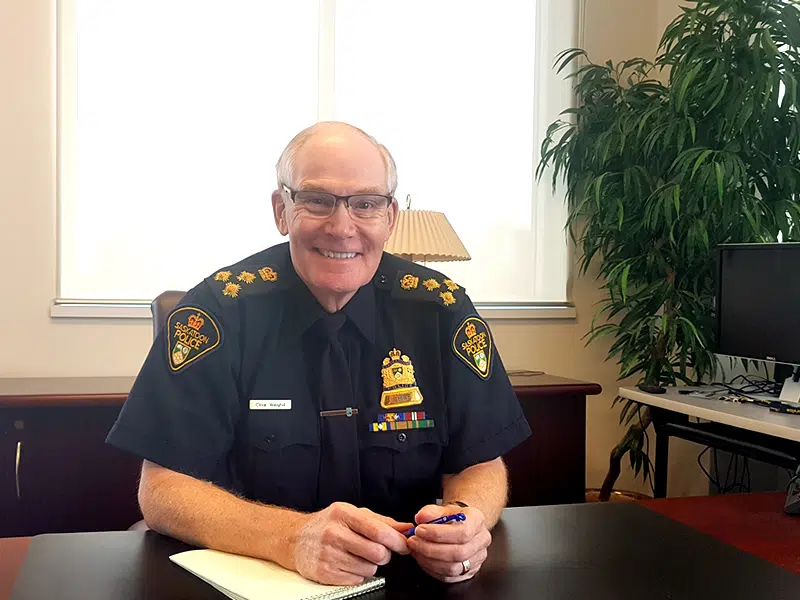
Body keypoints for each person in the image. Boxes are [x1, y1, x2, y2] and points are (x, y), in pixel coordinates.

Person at [107, 122, 531, 586]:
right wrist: (289, 537)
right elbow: (163, 489)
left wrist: (464, 522)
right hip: (255, 580)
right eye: (317, 200)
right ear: (281, 210)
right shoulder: (218, 313)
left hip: (407, 577)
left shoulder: (440, 311)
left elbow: (480, 462)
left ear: (390, 217)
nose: (342, 227)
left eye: (365, 203)